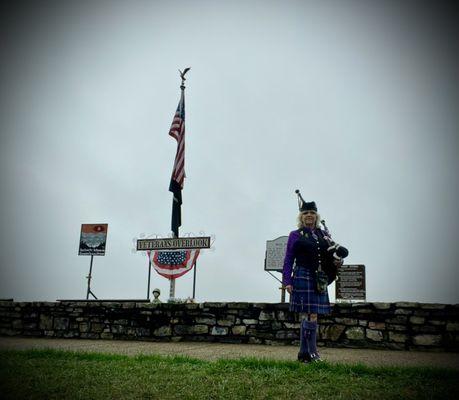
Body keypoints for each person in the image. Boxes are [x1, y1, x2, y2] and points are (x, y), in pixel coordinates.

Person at [282, 199, 343, 363]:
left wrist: (338, 262)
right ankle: (312, 352)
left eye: (312, 213)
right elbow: (288, 259)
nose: (309, 215)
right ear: (301, 217)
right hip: (302, 274)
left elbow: (331, 256)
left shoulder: (324, 235)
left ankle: (305, 353)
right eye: (306, 213)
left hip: (319, 277)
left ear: (316, 216)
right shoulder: (295, 235)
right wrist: (287, 280)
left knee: (312, 315)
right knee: (308, 314)